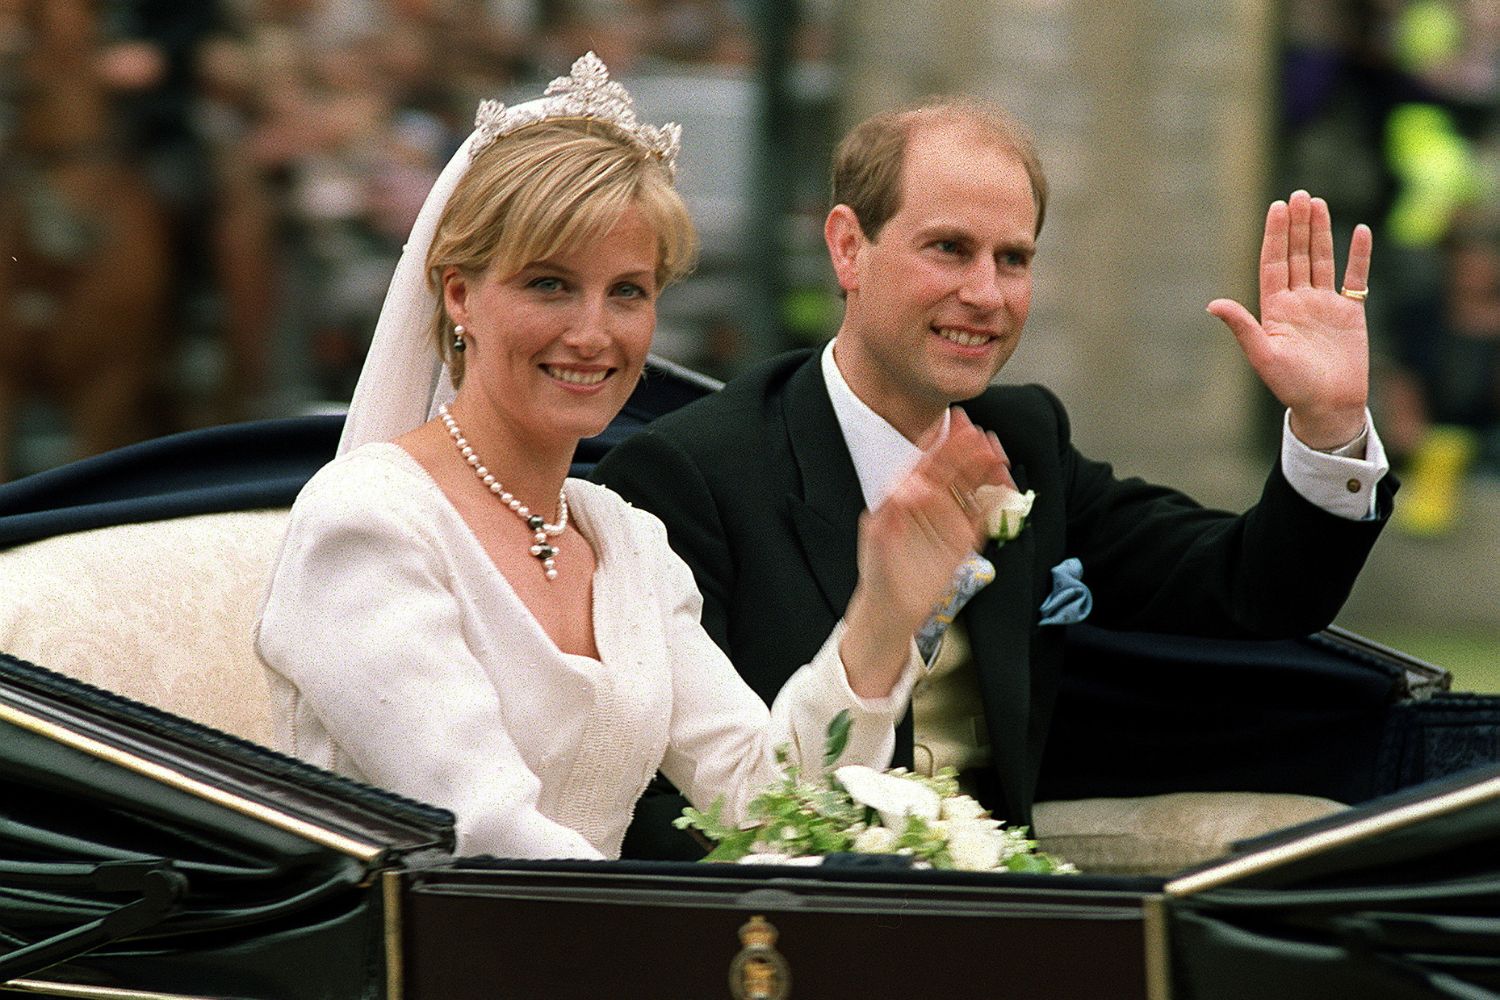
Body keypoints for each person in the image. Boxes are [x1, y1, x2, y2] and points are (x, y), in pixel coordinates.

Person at [592, 96, 1397, 859]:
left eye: (1013, 259)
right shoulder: (686, 477)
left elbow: (1250, 588)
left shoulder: (1023, 441)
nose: (985, 294)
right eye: (949, 248)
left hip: (1006, 885)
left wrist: (1328, 423)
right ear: (848, 248)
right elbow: (654, 815)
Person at [254, 55, 1008, 860]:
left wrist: (884, 614)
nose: (592, 333)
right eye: (549, 285)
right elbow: (481, 831)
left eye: (627, 292)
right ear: (459, 295)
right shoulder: (370, 521)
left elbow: (769, 801)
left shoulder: (626, 542)